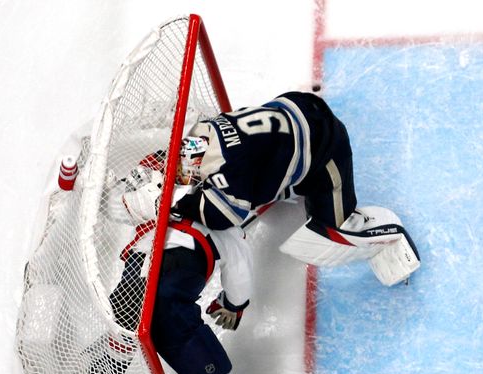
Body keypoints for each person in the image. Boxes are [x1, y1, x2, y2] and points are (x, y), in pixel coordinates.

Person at [172, 90, 421, 286]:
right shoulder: (201, 131)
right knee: (261, 176)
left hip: (327, 146)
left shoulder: (231, 168)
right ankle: (295, 182)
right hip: (295, 108)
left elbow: (224, 217)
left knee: (333, 230)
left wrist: (177, 206)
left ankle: (391, 235)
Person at [107, 157, 252, 374]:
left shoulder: (162, 191)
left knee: (123, 336)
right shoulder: (226, 222)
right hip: (166, 294)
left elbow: (116, 207)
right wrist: (233, 305)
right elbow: (240, 281)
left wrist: (142, 191)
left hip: (130, 282)